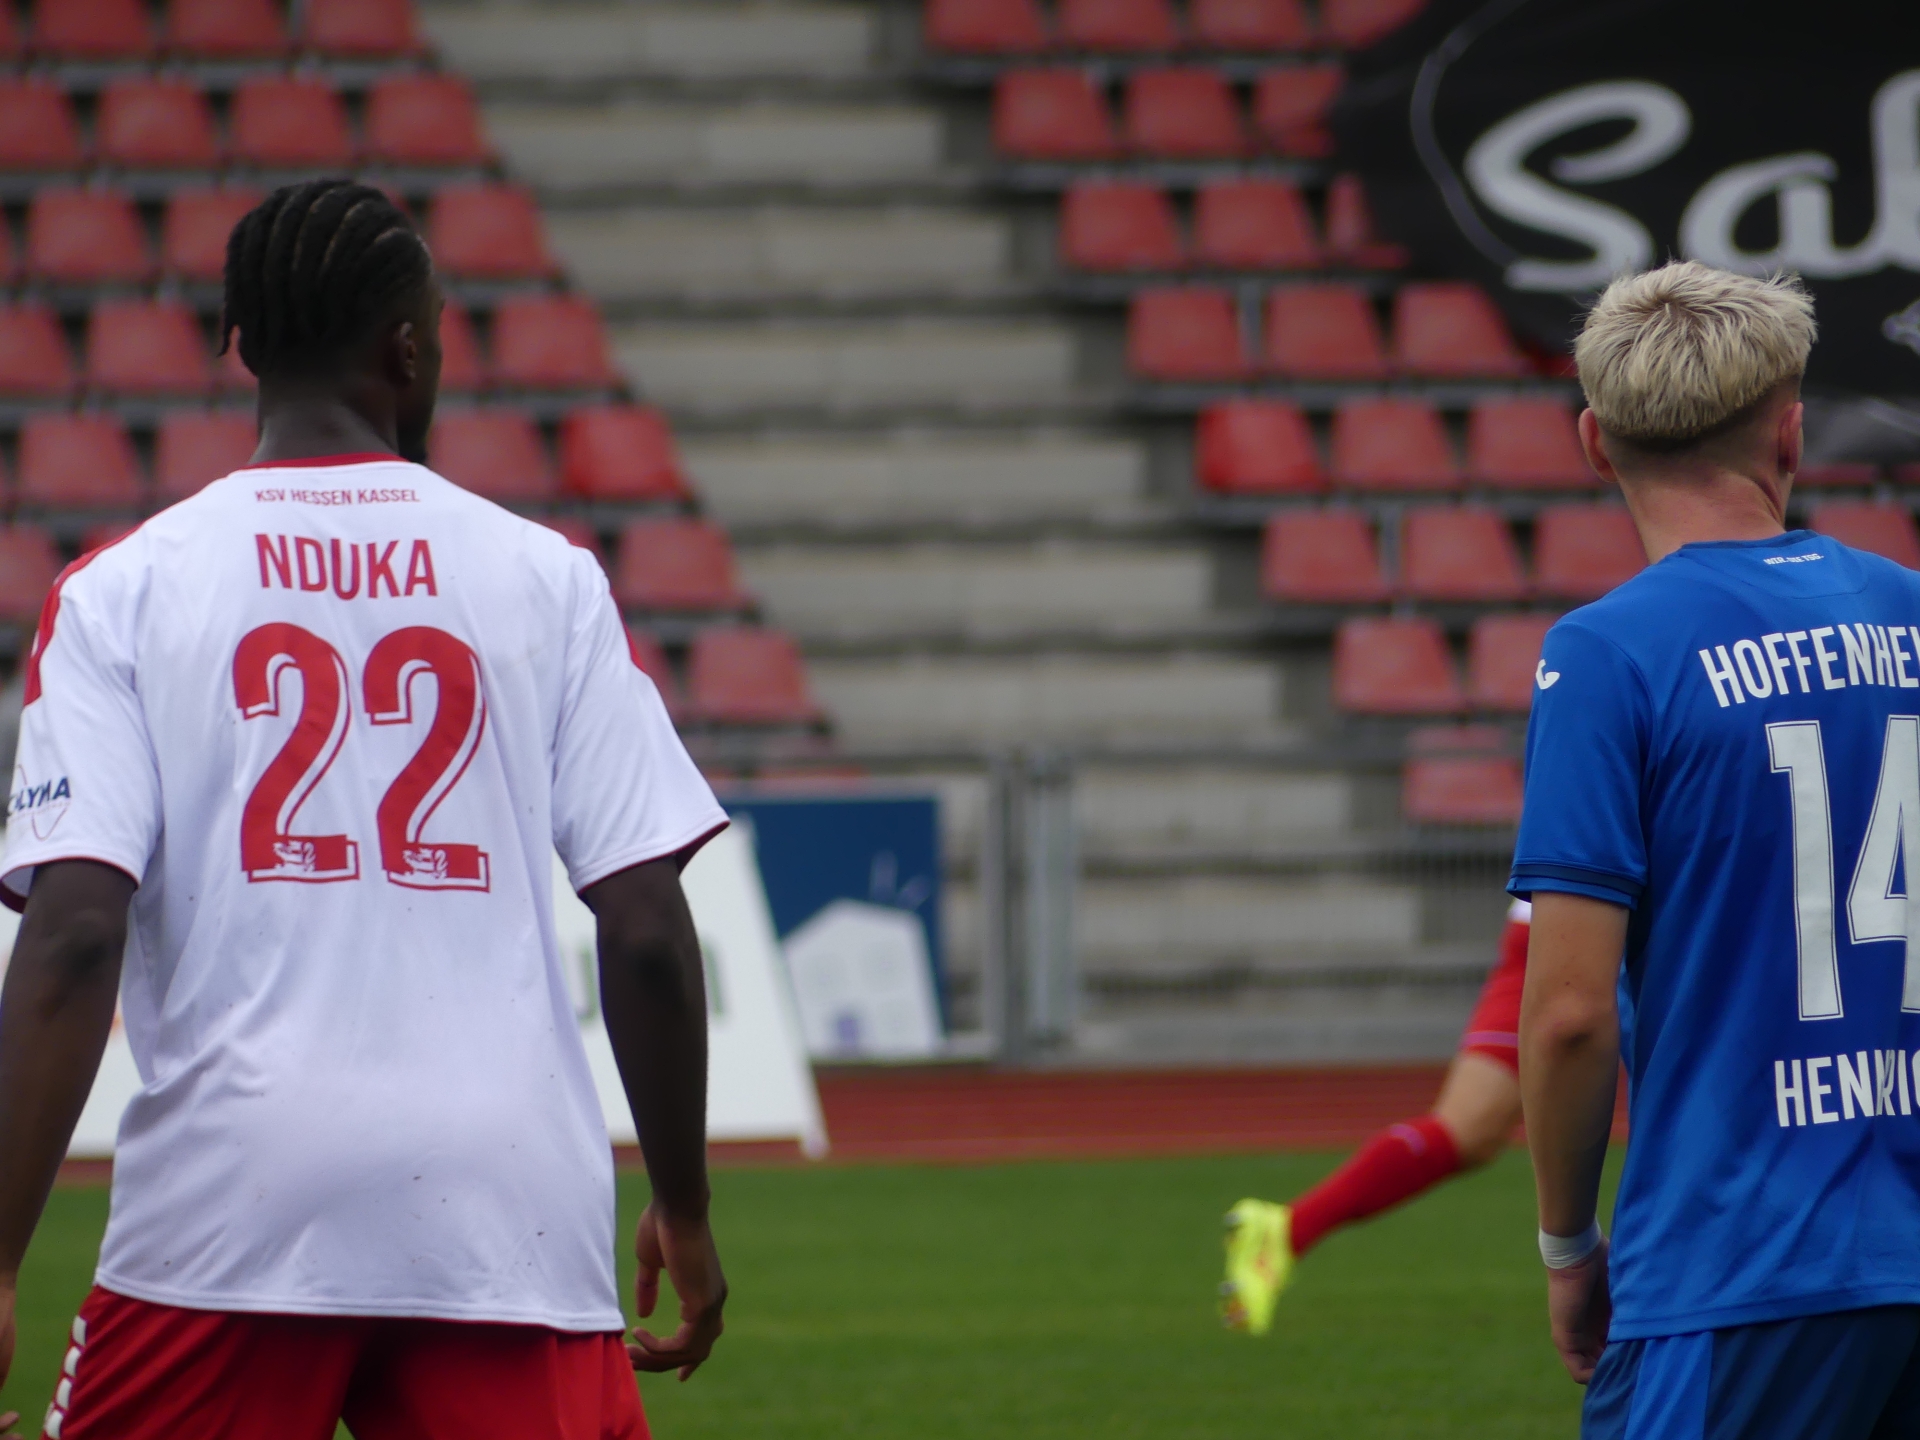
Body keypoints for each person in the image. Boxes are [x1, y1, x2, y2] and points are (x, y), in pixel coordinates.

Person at [0, 179, 729, 1440]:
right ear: (407, 350)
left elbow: (72, 936)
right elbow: (650, 932)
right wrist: (687, 1205)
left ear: (238, 343)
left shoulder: (119, 593)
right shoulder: (546, 580)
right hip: (507, 1216)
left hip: (228, 1214)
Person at [1521, 260, 1920, 1435]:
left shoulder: (1609, 653)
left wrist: (1566, 1244)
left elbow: (1570, 1014)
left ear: (1596, 444)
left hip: (1736, 1265)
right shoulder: (1910, 614)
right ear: (1790, 435)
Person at [1220, 899, 1533, 1334]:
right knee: (1467, 1128)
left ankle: (1287, 1230)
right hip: (1578, 922)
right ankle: (1285, 1230)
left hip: (1562, 917)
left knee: (1473, 1132)